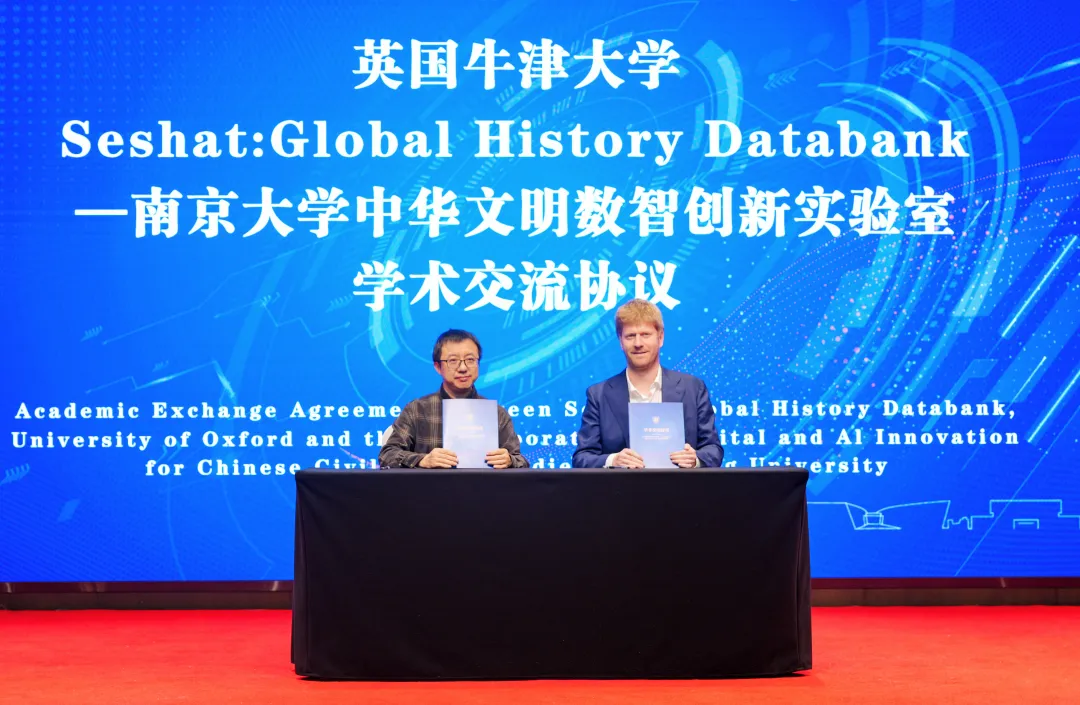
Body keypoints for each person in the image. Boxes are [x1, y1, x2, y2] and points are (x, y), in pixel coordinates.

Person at [572, 299, 724, 469]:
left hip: (679, 486)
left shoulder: (693, 388)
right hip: (621, 486)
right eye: (630, 336)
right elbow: (582, 458)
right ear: (621, 341)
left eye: (645, 334)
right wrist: (613, 461)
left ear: (660, 337)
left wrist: (695, 459)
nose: (638, 343)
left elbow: (713, 450)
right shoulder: (598, 395)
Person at [379, 329, 529, 469]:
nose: (463, 368)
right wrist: (423, 460)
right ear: (438, 367)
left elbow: (521, 462)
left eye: (470, 359)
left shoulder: (496, 414)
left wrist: (509, 460)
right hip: (429, 488)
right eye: (453, 361)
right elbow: (387, 455)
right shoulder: (417, 410)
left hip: (482, 487)